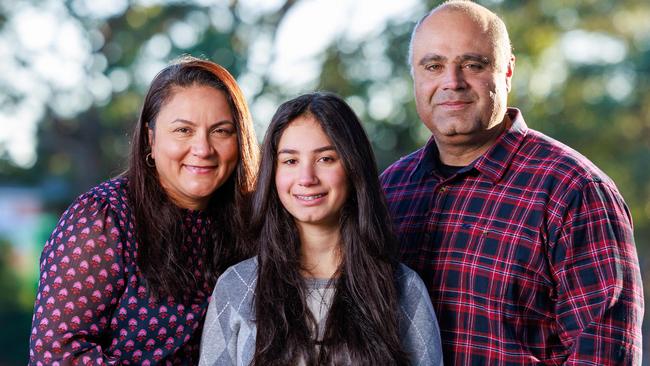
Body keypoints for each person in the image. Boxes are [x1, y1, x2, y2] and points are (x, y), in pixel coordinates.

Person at [380, 1, 644, 364]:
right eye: (434, 66)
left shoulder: (574, 190)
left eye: (473, 64)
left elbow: (603, 354)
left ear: (507, 70)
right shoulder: (389, 191)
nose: (452, 82)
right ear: (415, 75)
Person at [29, 56, 259, 364]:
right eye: (183, 130)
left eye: (221, 131)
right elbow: (56, 354)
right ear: (151, 138)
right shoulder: (103, 219)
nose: (203, 149)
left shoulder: (249, 223)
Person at [199, 92, 443, 366]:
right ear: (273, 174)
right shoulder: (237, 286)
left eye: (325, 159)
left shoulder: (403, 288)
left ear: (353, 167)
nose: (306, 178)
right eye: (290, 161)